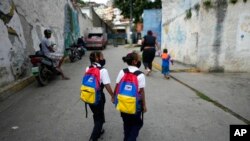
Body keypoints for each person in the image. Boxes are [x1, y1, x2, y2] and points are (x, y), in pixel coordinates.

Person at [115, 51, 147, 141]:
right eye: (139, 59)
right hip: (135, 105)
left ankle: (126, 138)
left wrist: (114, 97)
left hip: (123, 103)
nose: (140, 60)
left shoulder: (122, 71)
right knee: (137, 123)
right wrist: (144, 105)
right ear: (135, 62)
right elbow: (141, 92)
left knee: (126, 123)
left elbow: (117, 86)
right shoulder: (140, 74)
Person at [86, 51, 114, 141]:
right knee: (100, 119)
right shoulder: (103, 70)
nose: (104, 58)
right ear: (97, 58)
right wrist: (113, 95)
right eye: (102, 57)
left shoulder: (88, 68)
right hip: (98, 97)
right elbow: (107, 85)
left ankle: (100, 130)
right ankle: (93, 138)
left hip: (88, 96)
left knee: (96, 114)